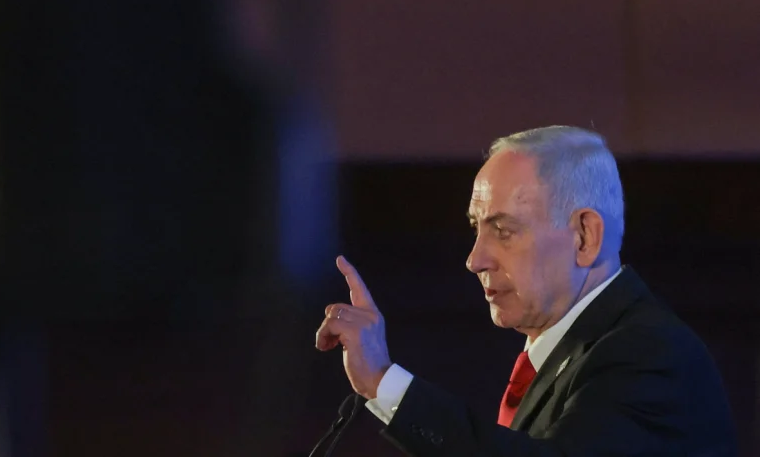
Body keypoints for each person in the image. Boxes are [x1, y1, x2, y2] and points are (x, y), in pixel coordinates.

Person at [314, 125, 737, 456]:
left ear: (584, 236)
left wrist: (383, 381)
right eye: (477, 229)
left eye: (503, 230)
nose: (475, 259)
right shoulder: (576, 349)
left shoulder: (650, 353)